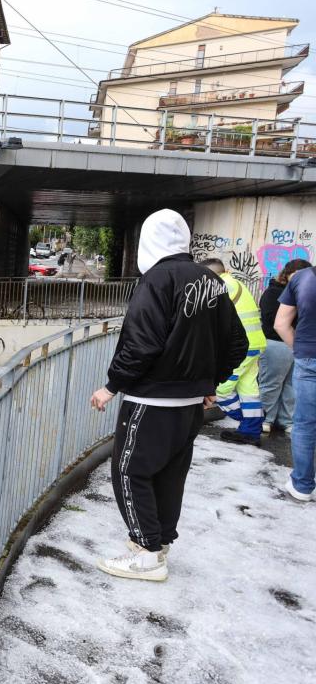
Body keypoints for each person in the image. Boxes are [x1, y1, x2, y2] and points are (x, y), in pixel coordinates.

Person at [89, 210, 246, 582]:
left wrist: (111, 386)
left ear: (149, 240)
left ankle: (146, 554)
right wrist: (210, 383)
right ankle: (159, 542)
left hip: (152, 401)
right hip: (189, 406)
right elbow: (238, 342)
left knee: (129, 471)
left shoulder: (156, 280)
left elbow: (141, 345)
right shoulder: (212, 279)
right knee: (170, 474)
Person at [199, 259, 267, 445]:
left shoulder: (220, 285)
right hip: (255, 343)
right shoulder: (236, 283)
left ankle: (249, 423)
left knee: (220, 389)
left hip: (242, 347)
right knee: (248, 389)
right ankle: (251, 429)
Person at [275, 261, 316, 502]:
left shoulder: (301, 279)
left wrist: (300, 351)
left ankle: (302, 485)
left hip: (310, 358)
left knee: (305, 424)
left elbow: (281, 324)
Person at [259, 259, 312, 436]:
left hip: (295, 344)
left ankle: (285, 420)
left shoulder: (302, 292)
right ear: (287, 274)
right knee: (271, 383)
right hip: (276, 343)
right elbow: (272, 321)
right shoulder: (273, 291)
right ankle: (265, 418)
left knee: (291, 386)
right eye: (296, 275)